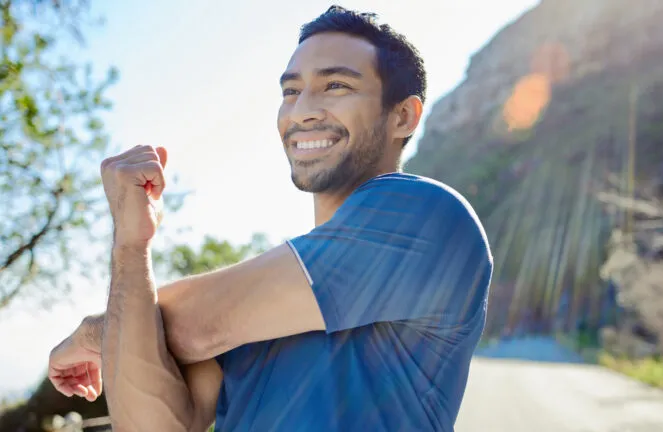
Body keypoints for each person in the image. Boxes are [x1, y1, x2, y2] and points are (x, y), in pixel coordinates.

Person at [47, 5, 492, 431]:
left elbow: (194, 325)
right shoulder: (265, 295)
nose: (302, 111)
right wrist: (130, 244)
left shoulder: (425, 215)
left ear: (403, 116)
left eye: (336, 85)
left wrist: (94, 332)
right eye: (291, 91)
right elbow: (151, 425)